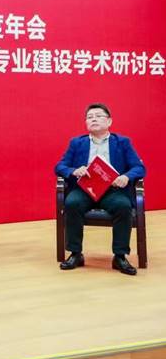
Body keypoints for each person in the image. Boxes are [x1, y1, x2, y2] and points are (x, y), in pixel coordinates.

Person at [55, 103, 145, 276]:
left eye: (98, 116)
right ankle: (75, 254)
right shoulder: (77, 143)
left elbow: (139, 168)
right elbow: (60, 166)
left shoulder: (122, 142)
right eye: (89, 117)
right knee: (72, 203)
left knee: (123, 206)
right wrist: (74, 171)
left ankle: (120, 256)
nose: (93, 119)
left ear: (109, 121)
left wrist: (126, 177)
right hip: (85, 189)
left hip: (112, 190)